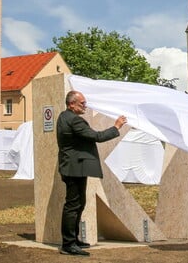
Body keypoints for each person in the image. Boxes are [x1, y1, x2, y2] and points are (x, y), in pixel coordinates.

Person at [57, 90, 127, 256]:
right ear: (71, 104)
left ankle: (74, 239)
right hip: (74, 168)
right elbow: (96, 136)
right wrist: (116, 127)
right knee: (73, 205)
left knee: (78, 203)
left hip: (74, 167)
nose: (85, 106)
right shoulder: (74, 120)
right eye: (82, 103)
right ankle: (68, 244)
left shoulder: (64, 117)